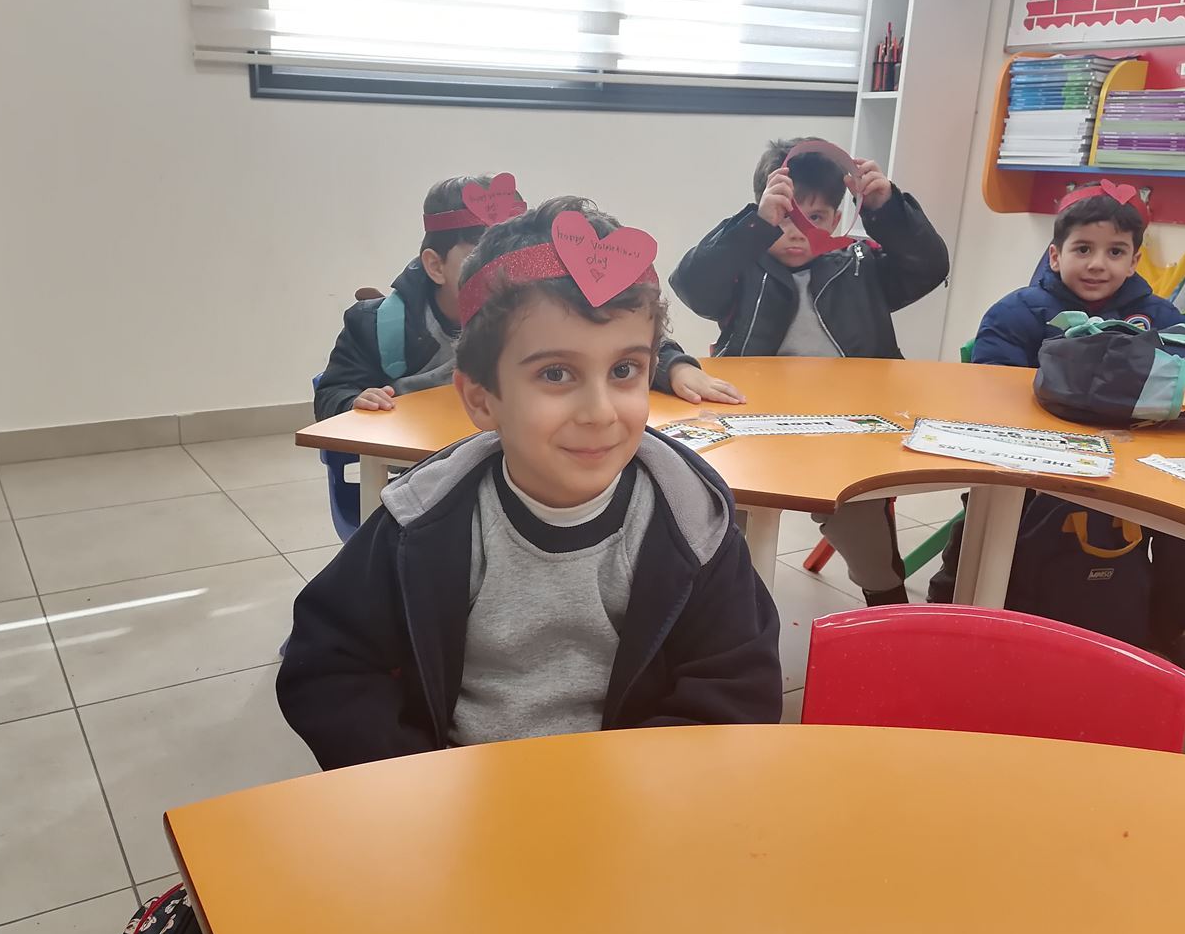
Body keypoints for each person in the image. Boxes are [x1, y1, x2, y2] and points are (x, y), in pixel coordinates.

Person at [279, 196, 784, 770]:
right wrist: (415, 777)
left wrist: (634, 788)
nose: (599, 412)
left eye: (624, 370)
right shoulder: (422, 520)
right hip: (454, 793)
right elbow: (328, 664)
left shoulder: (694, 525)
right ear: (481, 399)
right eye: (556, 373)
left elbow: (736, 689)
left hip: (627, 796)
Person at [928, 183, 1185, 685]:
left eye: (1115, 252)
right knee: (992, 508)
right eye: (1083, 249)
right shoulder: (1019, 311)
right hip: (1038, 462)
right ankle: (953, 598)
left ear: (1134, 261)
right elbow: (991, 388)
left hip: (1140, 465)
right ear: (1055, 254)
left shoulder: (1160, 317)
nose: (1097, 265)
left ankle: (1169, 627)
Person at [670, 137, 950, 606]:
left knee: (864, 531)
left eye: (815, 218)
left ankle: (886, 603)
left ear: (837, 220)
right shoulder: (744, 269)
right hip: (753, 424)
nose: (798, 232)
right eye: (785, 218)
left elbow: (929, 266)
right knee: (730, 523)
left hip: (847, 427)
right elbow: (691, 284)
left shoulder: (860, 265)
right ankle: (723, 607)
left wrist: (887, 208)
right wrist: (754, 227)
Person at [313, 174, 743, 421]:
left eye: (508, 253)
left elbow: (614, 340)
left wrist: (677, 368)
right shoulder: (377, 325)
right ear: (435, 265)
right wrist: (353, 402)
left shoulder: (535, 311)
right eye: (478, 253)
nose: (497, 268)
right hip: (419, 463)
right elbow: (333, 393)